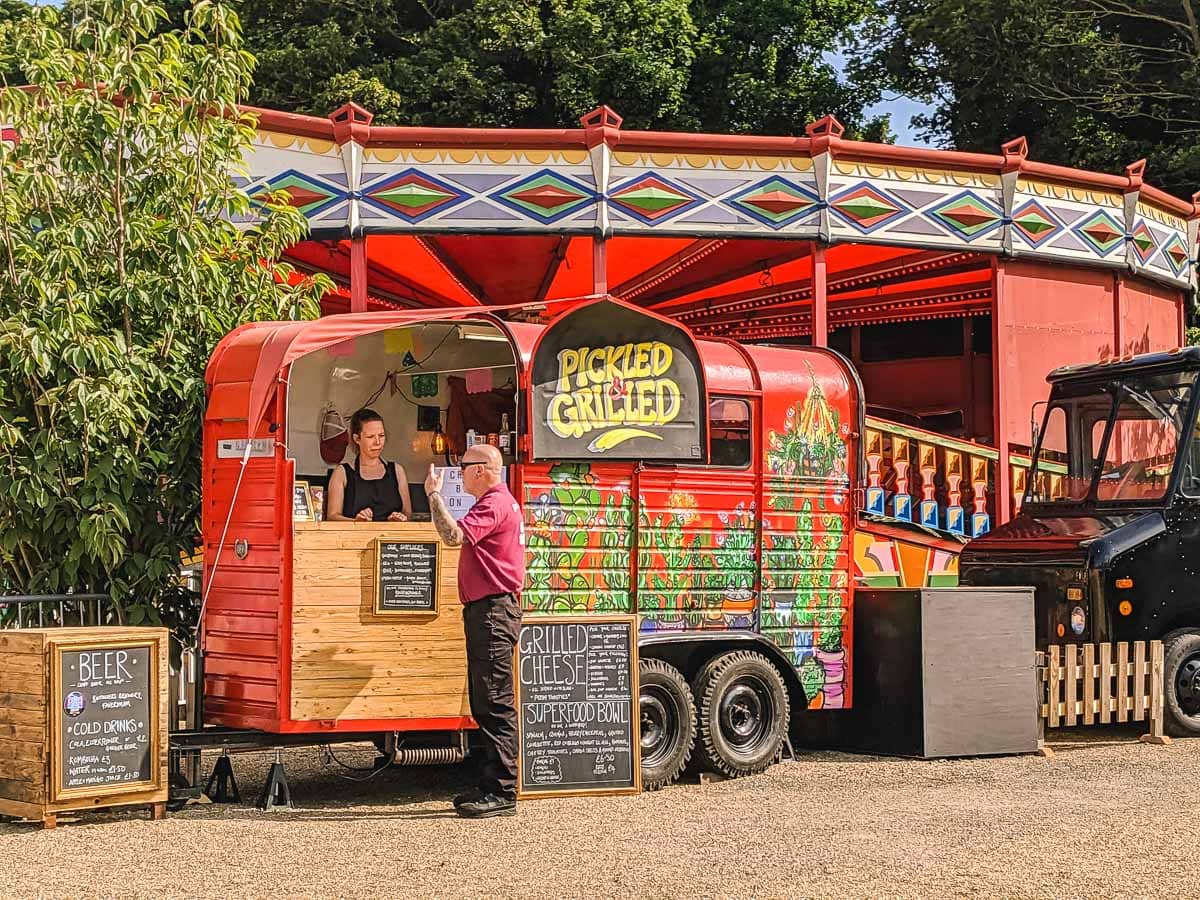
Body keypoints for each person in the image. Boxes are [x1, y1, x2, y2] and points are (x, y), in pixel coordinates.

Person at [424, 443, 525, 819]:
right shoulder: (500, 502)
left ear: (481, 469)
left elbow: (452, 537)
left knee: (495, 701)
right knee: (486, 699)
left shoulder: (494, 503)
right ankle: (489, 784)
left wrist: (433, 495)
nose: (459, 472)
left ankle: (501, 790)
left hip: (493, 611)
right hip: (491, 610)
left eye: (463, 466)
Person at [326, 408, 412, 522]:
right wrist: (356, 522)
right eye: (370, 437)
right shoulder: (342, 473)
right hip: (354, 538)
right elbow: (332, 516)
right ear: (357, 438)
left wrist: (400, 518)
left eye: (381, 435)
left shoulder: (397, 471)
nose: (377, 442)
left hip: (391, 538)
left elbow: (408, 513)